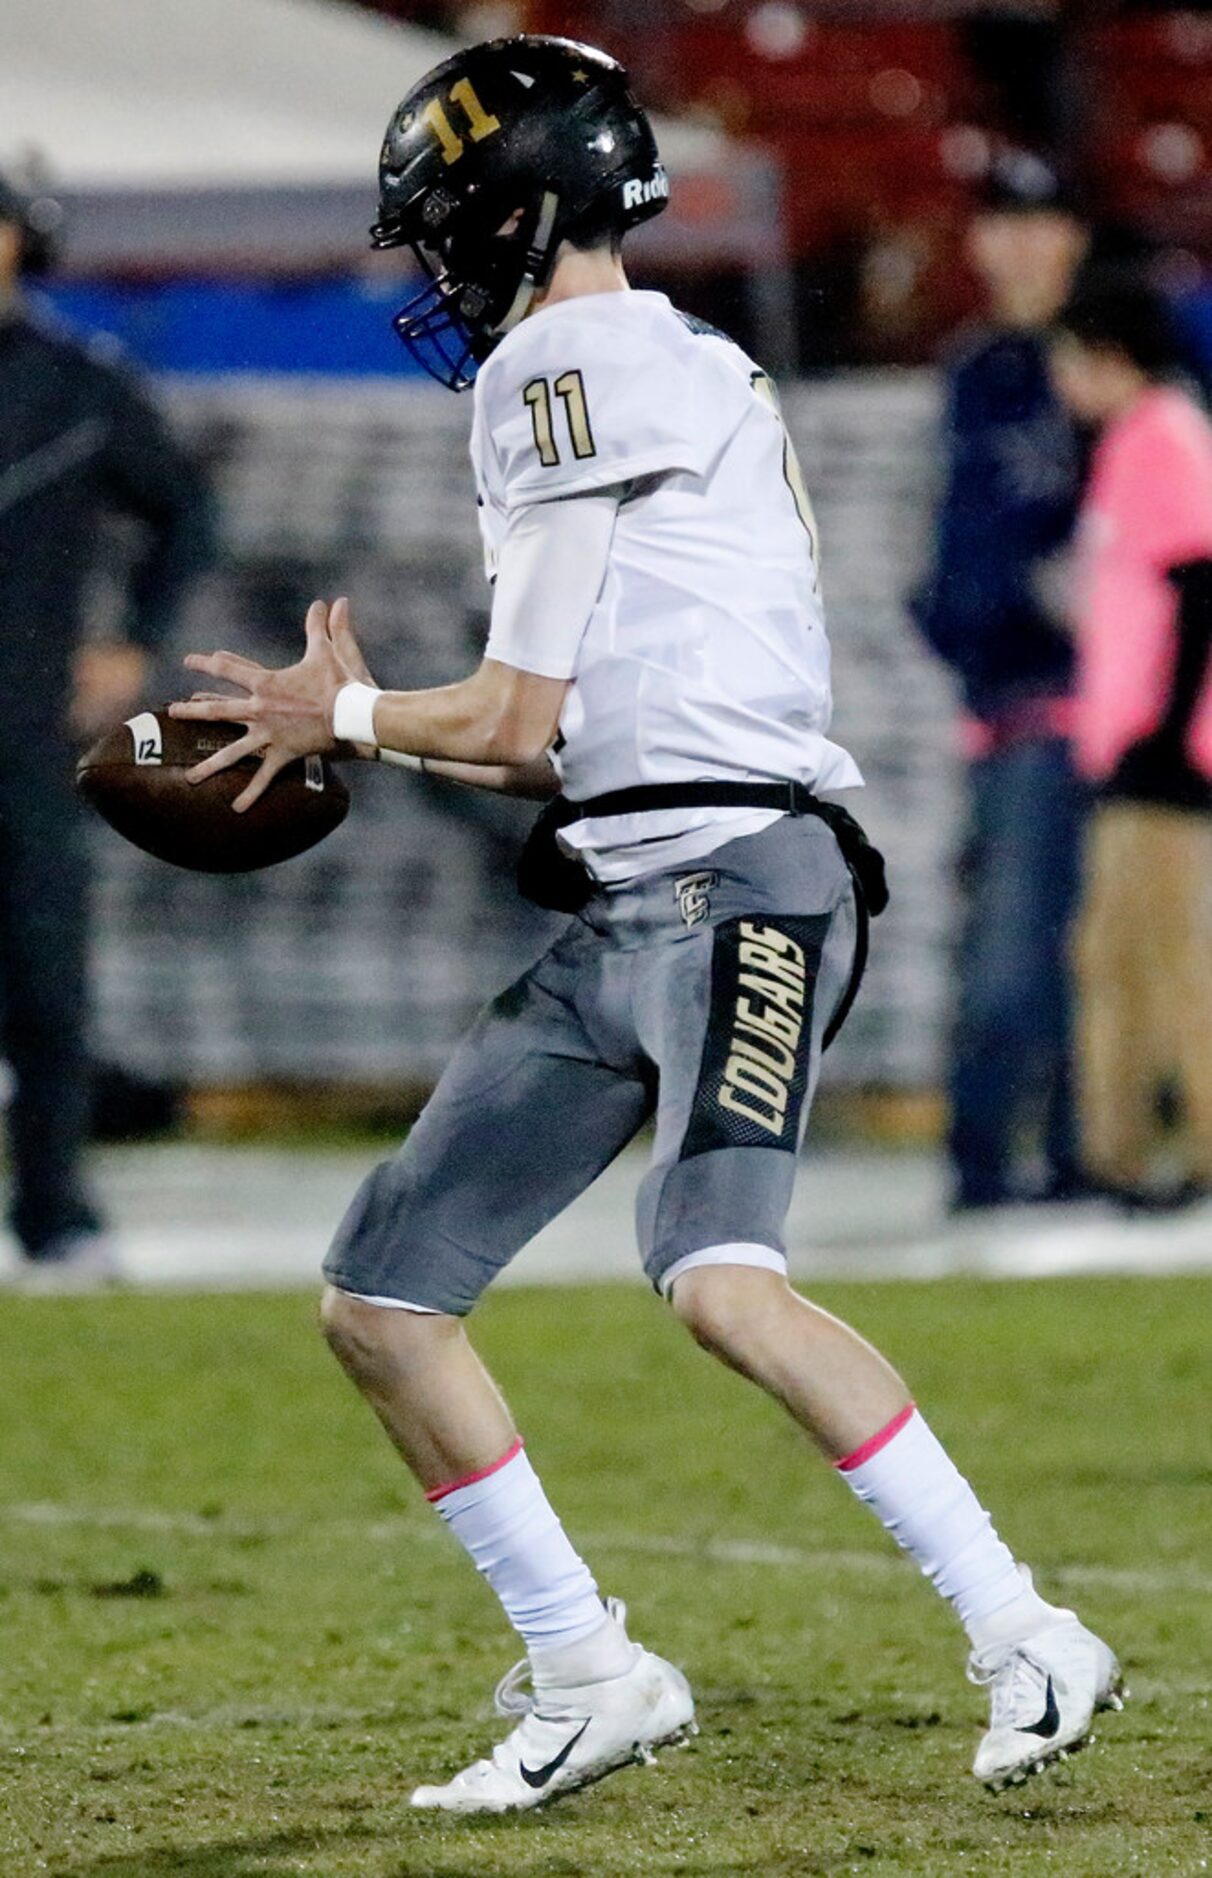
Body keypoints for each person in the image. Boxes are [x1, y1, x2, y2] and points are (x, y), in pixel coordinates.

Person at [174, 38, 1122, 1811]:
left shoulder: (557, 360)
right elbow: (577, 746)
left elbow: (517, 719)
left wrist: (353, 722)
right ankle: (587, 1666)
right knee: (382, 1298)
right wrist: (388, 723)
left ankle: (1025, 1628)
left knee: (719, 1279)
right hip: (634, 893)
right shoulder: (664, 355)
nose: (435, 264)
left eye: (448, 224)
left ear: (517, 210)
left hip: (746, 882)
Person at [0, 169, 210, 1286]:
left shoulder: (78, 389)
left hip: (20, 728)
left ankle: (56, 1217)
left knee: (45, 980)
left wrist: (134, 639)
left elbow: (185, 511)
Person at [912, 151, 1090, 1212]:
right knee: (1017, 938)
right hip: (1004, 704)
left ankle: (1046, 1155)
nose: (1018, 245)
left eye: (1040, 223)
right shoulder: (981, 370)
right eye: (1001, 225)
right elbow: (962, 546)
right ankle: (1018, 1159)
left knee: (1035, 949)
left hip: (1088, 705)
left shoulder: (1129, 358)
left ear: (1073, 237)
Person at [1051, 275, 1212, 1204]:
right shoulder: (1135, 440)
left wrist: (1172, 734)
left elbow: (1198, 588)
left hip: (1163, 755)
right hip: (1132, 749)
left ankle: (1180, 1150)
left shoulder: (1161, 437)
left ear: (1106, 355)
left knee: (1163, 958)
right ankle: (1124, 1156)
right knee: (1117, 954)